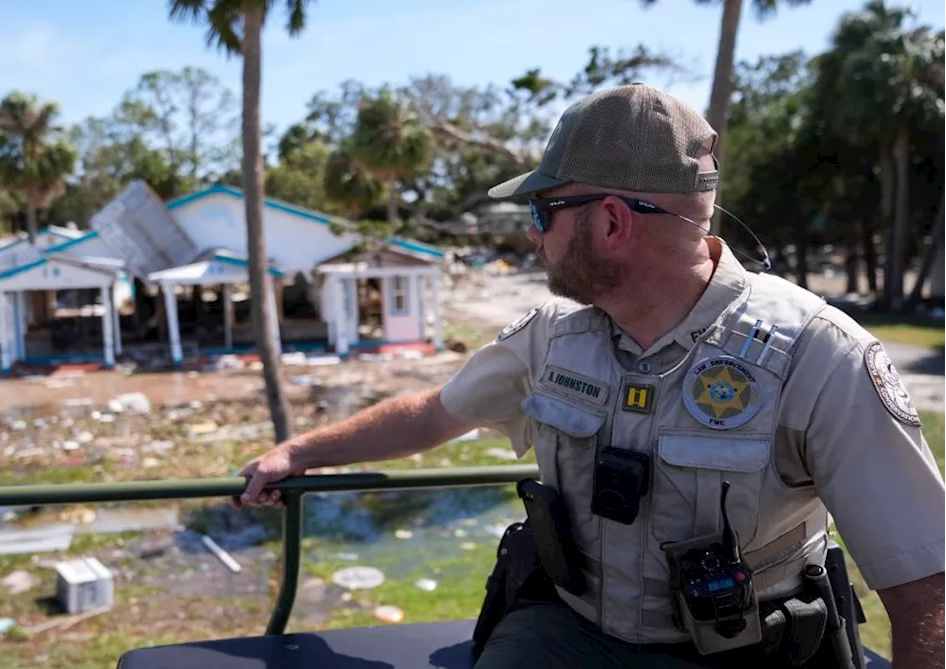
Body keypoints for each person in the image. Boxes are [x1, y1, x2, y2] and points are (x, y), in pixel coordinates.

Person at [234, 83, 946, 668]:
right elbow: (432, 413)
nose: (532, 233)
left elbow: (926, 592)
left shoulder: (818, 355)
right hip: (569, 631)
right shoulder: (551, 338)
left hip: (745, 654)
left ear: (610, 222)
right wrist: (301, 453)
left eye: (544, 210)